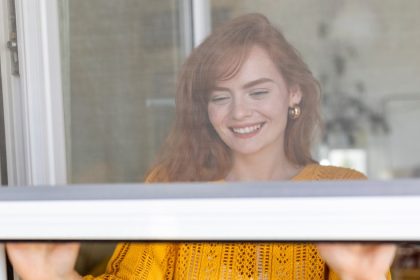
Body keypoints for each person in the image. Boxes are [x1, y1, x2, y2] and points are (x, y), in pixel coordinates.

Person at [7, 13, 395, 280]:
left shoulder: (341, 189)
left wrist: (363, 276)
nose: (239, 112)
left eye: (257, 91)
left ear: (293, 93)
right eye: (219, 96)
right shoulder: (172, 186)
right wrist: (47, 275)